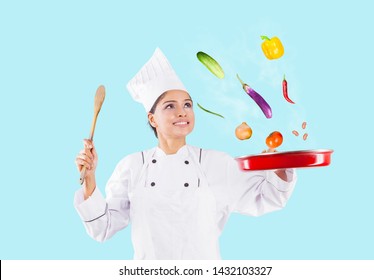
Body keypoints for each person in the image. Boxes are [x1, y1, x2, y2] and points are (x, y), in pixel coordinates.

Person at [74, 48, 297, 260]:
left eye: (187, 105)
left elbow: (268, 196)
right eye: (170, 106)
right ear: (152, 119)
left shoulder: (216, 163)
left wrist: (277, 167)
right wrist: (90, 179)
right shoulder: (131, 166)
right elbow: (103, 228)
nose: (182, 111)